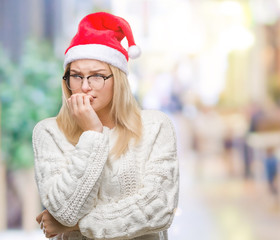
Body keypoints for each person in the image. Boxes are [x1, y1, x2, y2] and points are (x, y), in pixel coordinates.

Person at [32, 12, 179, 240]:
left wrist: (77, 227)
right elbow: (64, 212)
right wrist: (92, 134)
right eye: (76, 76)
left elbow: (159, 209)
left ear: (117, 79)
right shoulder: (49, 132)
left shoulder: (155, 126)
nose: (85, 86)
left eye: (97, 76)